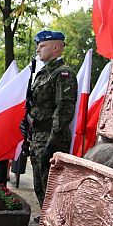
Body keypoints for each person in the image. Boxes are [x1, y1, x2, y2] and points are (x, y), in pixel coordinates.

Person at [23, 30, 77, 210]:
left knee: (52, 188)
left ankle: (54, 225)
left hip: (51, 138)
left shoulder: (63, 74)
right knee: (40, 186)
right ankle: (45, 222)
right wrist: (28, 123)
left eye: (42, 46)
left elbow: (64, 109)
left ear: (56, 47)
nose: (38, 50)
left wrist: (53, 143)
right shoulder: (42, 73)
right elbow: (39, 106)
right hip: (38, 138)